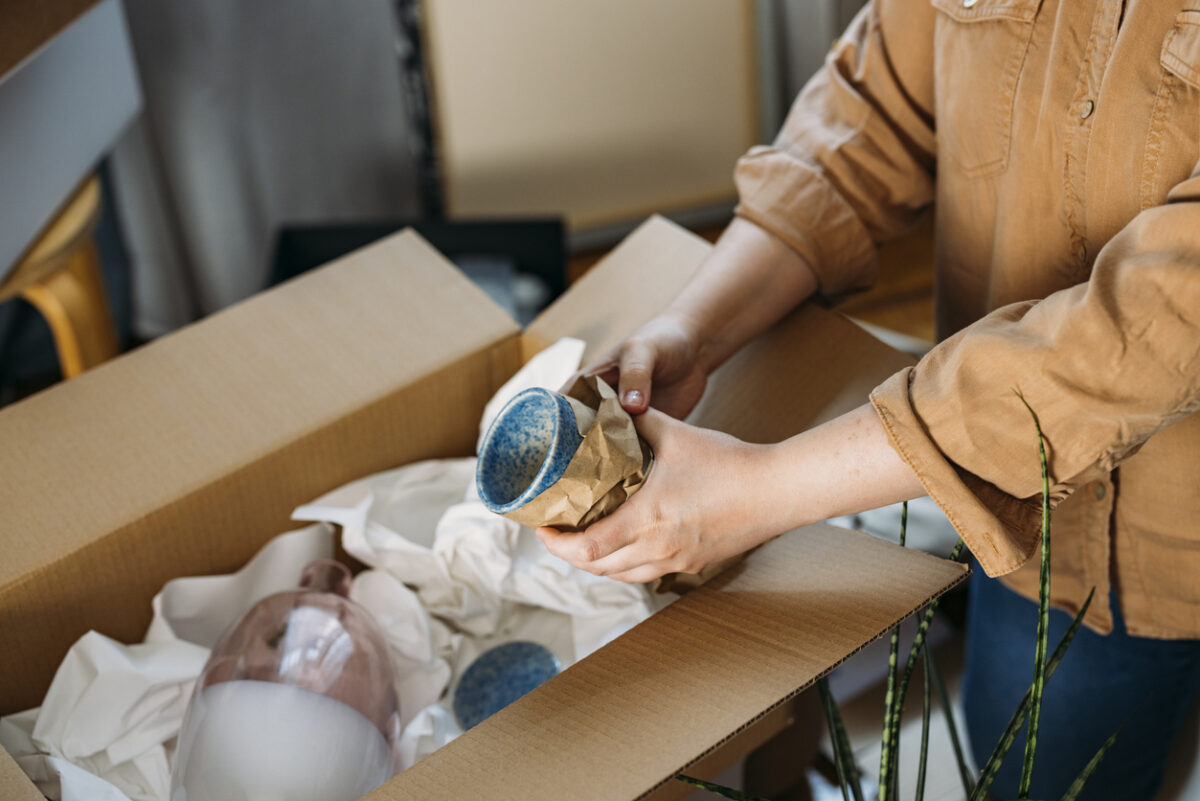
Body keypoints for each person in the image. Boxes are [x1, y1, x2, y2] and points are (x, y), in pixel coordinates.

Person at [534, 1, 1200, 799]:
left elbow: (1155, 323)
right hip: (1043, 534)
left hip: (1167, 533)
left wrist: (758, 491)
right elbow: (870, 119)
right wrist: (696, 326)